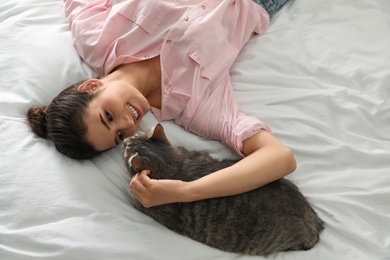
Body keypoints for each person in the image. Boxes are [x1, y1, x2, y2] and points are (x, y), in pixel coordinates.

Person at [27, 0, 296, 207]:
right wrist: (186, 191)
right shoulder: (194, 106)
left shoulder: (95, 39)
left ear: (91, 87)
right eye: (119, 136)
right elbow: (280, 158)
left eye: (108, 116)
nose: (128, 124)